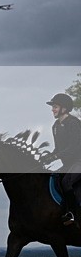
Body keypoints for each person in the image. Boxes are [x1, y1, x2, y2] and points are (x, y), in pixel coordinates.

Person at [47, 93, 81, 225]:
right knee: (55, 177)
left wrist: (57, 155)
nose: (53, 110)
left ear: (64, 109)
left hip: (79, 161)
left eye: (55, 107)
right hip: (69, 163)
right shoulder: (55, 126)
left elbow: (74, 147)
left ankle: (73, 215)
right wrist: (49, 156)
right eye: (53, 107)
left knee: (67, 181)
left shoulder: (74, 123)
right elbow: (59, 149)